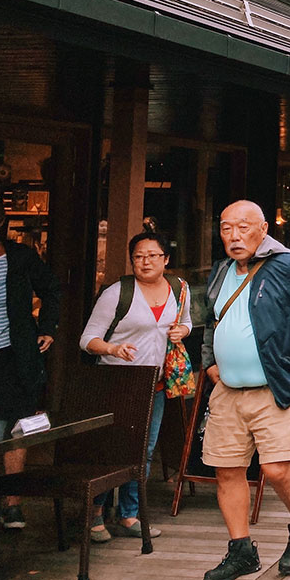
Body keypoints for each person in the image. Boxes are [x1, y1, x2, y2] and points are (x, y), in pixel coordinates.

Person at [200, 200, 290, 580]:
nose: (234, 236)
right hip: (228, 389)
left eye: (243, 227)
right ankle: (241, 548)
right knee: (227, 470)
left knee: (276, 467)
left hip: (277, 386)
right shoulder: (223, 270)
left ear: (263, 230)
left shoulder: (287, 267)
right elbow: (213, 318)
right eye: (227, 228)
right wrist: (210, 360)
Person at [78, 231, 190, 542]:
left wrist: (182, 330)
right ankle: (96, 513)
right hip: (116, 384)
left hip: (153, 384)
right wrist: (113, 349)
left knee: (144, 449)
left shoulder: (180, 289)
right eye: (139, 256)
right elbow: (87, 339)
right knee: (109, 449)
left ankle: (129, 514)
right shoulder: (117, 292)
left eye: (153, 255)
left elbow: (187, 322)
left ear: (166, 259)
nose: (145, 262)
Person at [0, 199, 59, 530]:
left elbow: (51, 289)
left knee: (17, 426)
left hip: (13, 353)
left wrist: (47, 328)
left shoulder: (19, 257)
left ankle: (13, 503)